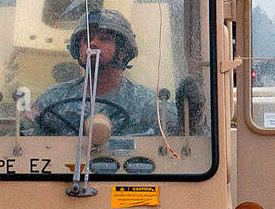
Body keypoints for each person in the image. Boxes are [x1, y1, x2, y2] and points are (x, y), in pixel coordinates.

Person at [29, 9, 178, 136]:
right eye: (87, 39)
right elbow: (23, 135)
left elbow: (181, 135)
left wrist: (193, 115)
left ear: (123, 51)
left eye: (104, 39)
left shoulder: (146, 103)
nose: (92, 43)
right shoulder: (53, 99)